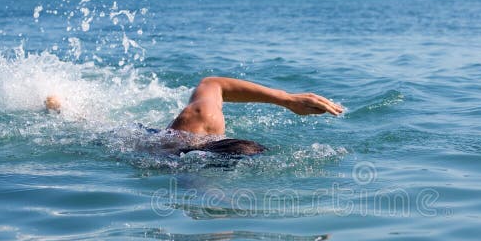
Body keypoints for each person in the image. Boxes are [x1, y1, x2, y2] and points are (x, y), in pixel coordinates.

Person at [45, 76, 343, 156]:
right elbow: (212, 83)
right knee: (93, 129)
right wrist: (286, 98)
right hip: (145, 143)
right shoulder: (200, 117)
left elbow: (213, 84)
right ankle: (62, 110)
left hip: (172, 143)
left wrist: (287, 101)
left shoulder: (210, 123)